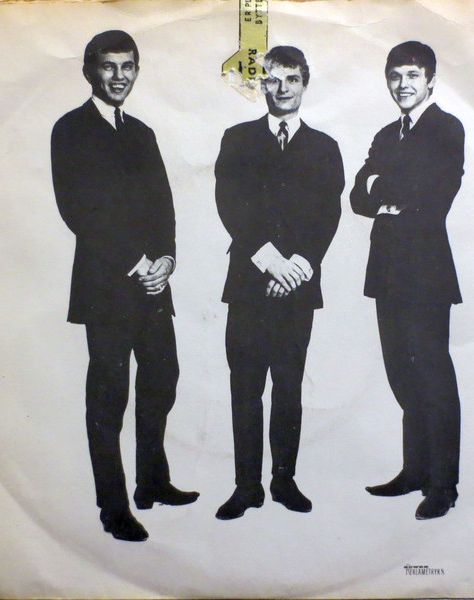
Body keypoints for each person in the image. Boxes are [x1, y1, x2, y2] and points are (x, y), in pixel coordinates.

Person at [51, 30, 198, 542]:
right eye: (109, 66)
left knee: (163, 378)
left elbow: (163, 205)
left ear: (137, 70)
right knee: (109, 396)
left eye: (128, 66)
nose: (119, 76)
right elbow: (78, 210)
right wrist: (138, 263)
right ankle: (113, 507)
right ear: (89, 70)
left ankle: (152, 482)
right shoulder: (70, 129)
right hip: (106, 289)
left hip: (154, 286)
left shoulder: (142, 132)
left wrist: (167, 260)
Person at [214, 46, 344, 520]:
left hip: (299, 287)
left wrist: (299, 266)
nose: (282, 88)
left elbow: (328, 212)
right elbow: (230, 204)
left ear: (305, 83)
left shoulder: (325, 147)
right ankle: (246, 486)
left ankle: (284, 481)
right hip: (249, 282)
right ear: (261, 84)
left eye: (292, 79)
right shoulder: (238, 139)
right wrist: (270, 262)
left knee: (289, 386)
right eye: (273, 79)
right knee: (246, 387)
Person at [350, 41, 464, 520]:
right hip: (387, 271)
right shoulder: (385, 134)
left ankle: (443, 485)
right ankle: (415, 471)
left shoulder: (446, 128)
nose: (403, 84)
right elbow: (357, 195)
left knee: (432, 376)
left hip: (426, 272)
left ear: (430, 81)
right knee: (401, 373)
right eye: (395, 75)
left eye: (413, 75)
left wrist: (384, 188)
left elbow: (434, 193)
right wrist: (387, 193)